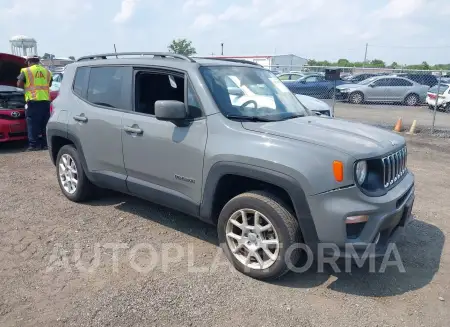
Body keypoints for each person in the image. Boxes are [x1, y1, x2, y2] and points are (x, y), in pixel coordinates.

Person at [17, 55, 53, 151]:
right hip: (46, 101)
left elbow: (19, 84)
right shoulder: (47, 72)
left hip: (33, 101)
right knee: (45, 123)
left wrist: (26, 88)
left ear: (29, 62)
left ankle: (34, 145)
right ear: (38, 61)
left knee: (32, 123)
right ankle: (46, 144)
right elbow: (49, 84)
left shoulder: (25, 71)